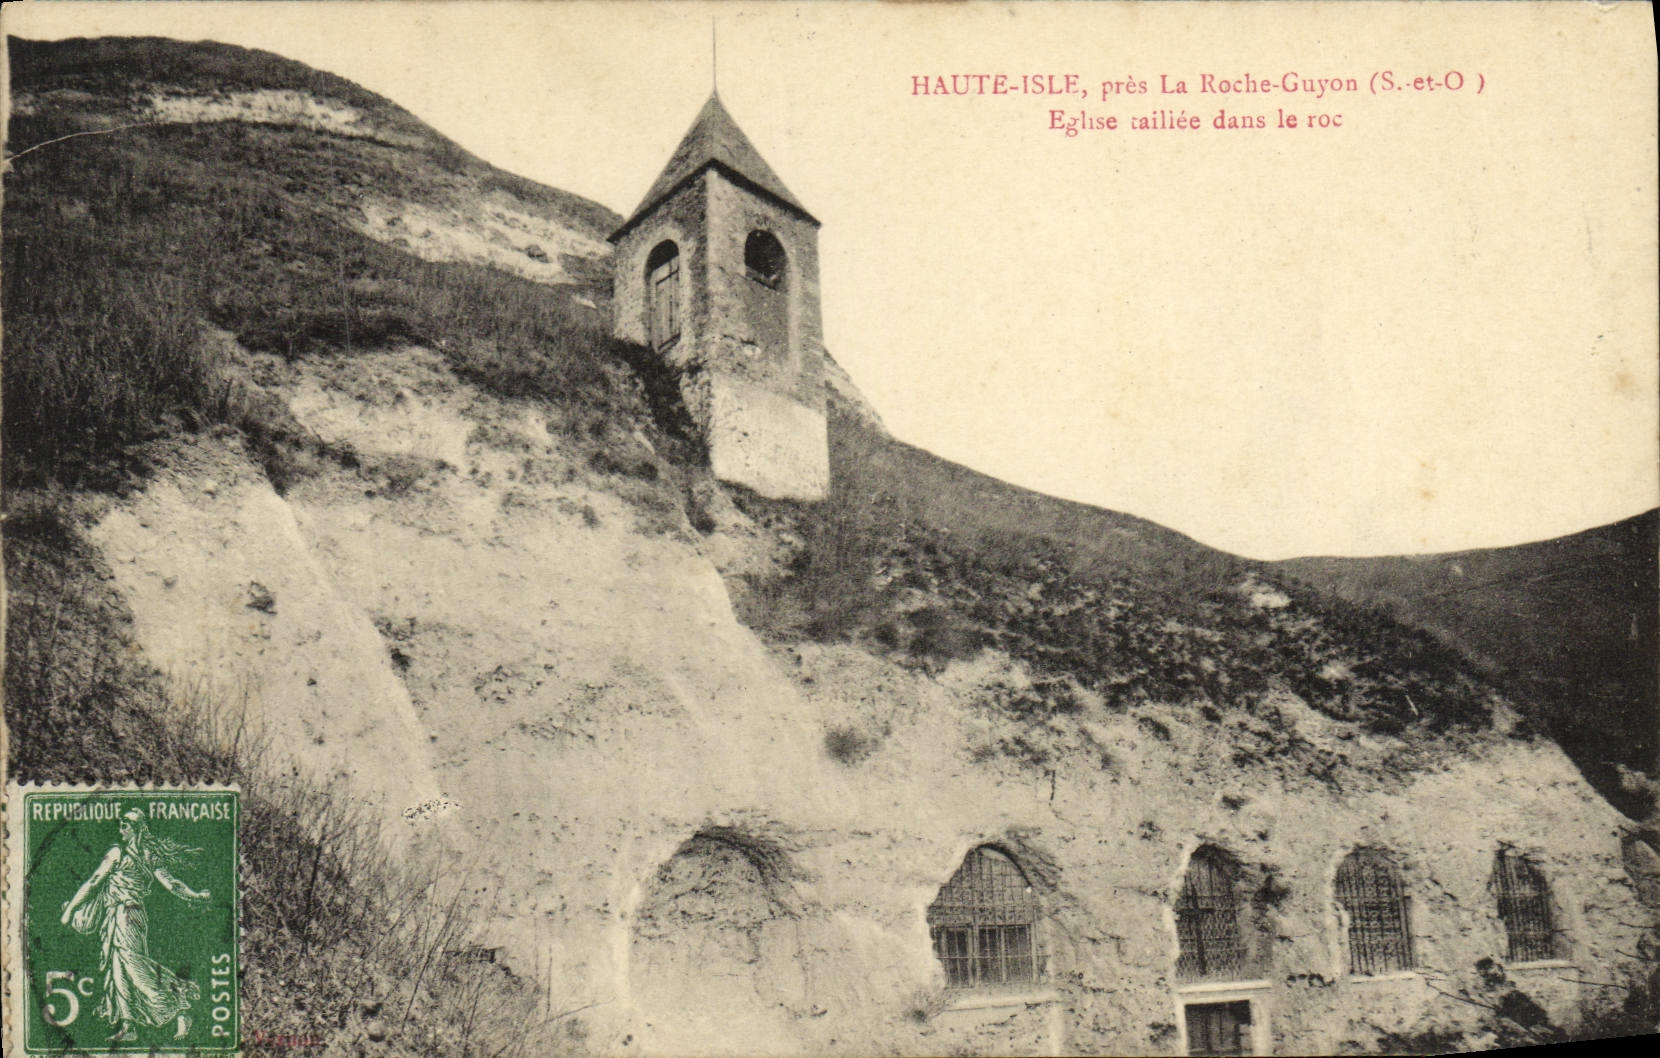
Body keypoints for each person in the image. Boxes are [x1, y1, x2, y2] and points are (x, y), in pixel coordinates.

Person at [58, 808, 211, 1042]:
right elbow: (95, 881)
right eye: (121, 823)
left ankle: (180, 1007)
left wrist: (195, 895)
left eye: (127, 824)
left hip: (129, 915)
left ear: (138, 828)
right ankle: (128, 1026)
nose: (122, 827)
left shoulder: (141, 854)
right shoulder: (120, 852)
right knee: (117, 970)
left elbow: (171, 884)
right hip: (114, 916)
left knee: (134, 966)